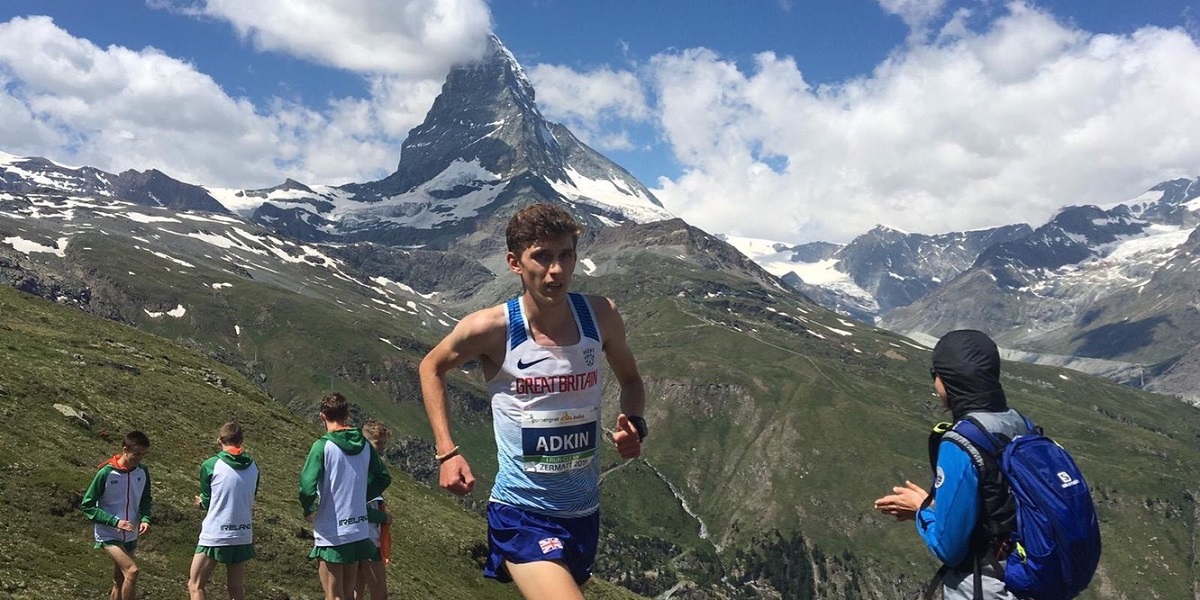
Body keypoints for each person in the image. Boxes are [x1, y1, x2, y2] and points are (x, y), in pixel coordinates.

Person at [419, 202, 647, 600]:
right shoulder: (492, 328)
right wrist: (446, 451)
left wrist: (634, 422)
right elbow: (431, 367)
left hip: (583, 511)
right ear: (515, 262)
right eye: (541, 257)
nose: (556, 270)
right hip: (521, 512)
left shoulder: (602, 316)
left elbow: (631, 381)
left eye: (565, 255)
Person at [873, 330, 1028, 600]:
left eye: (935, 374)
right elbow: (1000, 506)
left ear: (948, 380)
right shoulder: (1019, 423)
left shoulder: (961, 442)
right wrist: (937, 505)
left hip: (986, 587)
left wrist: (921, 510)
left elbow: (949, 548)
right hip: (1028, 577)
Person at [299, 392, 392, 600]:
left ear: (322, 416)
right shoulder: (365, 445)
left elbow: (306, 487)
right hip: (358, 530)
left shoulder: (322, 446)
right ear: (347, 415)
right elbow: (383, 477)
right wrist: (360, 495)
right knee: (349, 594)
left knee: (333, 595)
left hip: (331, 531)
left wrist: (308, 508)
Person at [188, 422, 260, 600]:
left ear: (219, 440)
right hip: (242, 532)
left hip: (216, 532)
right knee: (236, 588)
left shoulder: (211, 465)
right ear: (241, 440)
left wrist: (200, 503)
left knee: (195, 585)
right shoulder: (254, 466)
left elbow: (207, 500)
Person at [81, 430, 152, 600]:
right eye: (136, 454)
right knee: (132, 571)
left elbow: (145, 499)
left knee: (119, 580)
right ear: (125, 449)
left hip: (131, 533)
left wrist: (145, 519)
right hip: (108, 533)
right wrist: (114, 522)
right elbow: (88, 505)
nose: (139, 458)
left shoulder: (142, 472)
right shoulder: (106, 473)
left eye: (143, 454)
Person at [354, 420, 393, 600]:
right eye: (378, 443)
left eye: (384, 443)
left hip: (356, 538)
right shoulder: (369, 474)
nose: (382, 448)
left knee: (356, 591)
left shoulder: (358, 468)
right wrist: (383, 517)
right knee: (379, 594)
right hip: (369, 541)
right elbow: (359, 508)